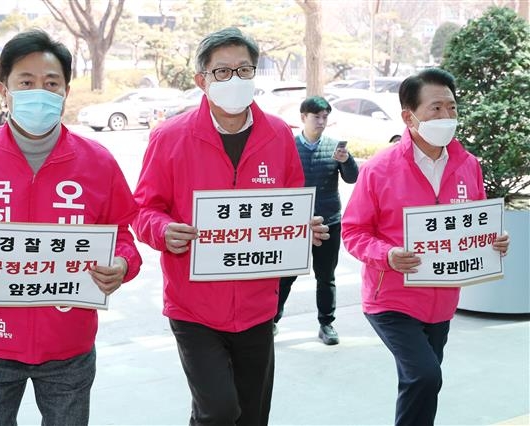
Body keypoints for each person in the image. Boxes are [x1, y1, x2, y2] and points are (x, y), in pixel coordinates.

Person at [0, 29, 142, 425]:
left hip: (69, 343)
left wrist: (121, 264)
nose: (40, 92)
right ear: (4, 90)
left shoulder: (98, 162)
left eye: (51, 83)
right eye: (26, 82)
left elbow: (122, 235)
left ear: (66, 91)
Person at [132, 27, 329, 425]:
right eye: (222, 72)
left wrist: (302, 228)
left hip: (258, 304)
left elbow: (288, 206)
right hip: (194, 306)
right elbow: (142, 209)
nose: (234, 80)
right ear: (201, 80)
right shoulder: (170, 137)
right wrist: (163, 230)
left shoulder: (277, 135)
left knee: (253, 414)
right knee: (218, 410)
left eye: (244, 69)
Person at [341, 68, 510, 426]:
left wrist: (493, 242)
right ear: (409, 116)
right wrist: (386, 255)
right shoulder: (379, 169)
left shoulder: (469, 166)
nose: (447, 116)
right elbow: (354, 232)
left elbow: (475, 223)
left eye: (451, 107)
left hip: (443, 300)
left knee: (421, 382)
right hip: (392, 300)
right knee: (425, 375)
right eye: (436, 108)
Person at [275, 96, 358, 344]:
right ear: (303, 117)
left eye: (325, 117)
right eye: (316, 117)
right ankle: (272, 320)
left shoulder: (335, 148)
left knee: (326, 276)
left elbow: (353, 178)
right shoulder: (288, 146)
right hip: (295, 224)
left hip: (329, 221)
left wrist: (347, 161)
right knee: (286, 276)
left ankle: (327, 324)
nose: (321, 122)